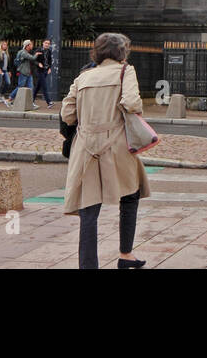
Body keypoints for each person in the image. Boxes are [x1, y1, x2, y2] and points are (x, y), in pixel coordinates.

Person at [61, 32, 151, 269]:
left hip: (86, 147)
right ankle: (126, 254)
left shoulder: (84, 76)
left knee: (89, 210)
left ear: (97, 52)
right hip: (116, 144)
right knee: (131, 194)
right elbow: (132, 103)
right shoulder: (125, 71)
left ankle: (88, 265)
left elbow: (67, 114)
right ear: (122, 52)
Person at [12, 40, 38, 108]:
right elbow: (32, 58)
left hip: (28, 73)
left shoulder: (25, 52)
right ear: (27, 46)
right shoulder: (23, 52)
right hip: (23, 72)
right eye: (31, 45)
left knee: (31, 88)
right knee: (20, 87)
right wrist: (37, 54)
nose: (32, 46)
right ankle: (10, 98)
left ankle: (31, 103)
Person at [33, 39, 54, 107]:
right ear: (43, 43)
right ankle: (49, 102)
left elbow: (50, 60)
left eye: (48, 43)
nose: (47, 44)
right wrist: (38, 63)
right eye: (46, 43)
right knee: (44, 86)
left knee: (38, 87)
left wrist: (49, 68)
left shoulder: (49, 51)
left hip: (45, 70)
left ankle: (31, 100)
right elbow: (33, 60)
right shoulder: (38, 50)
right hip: (39, 71)